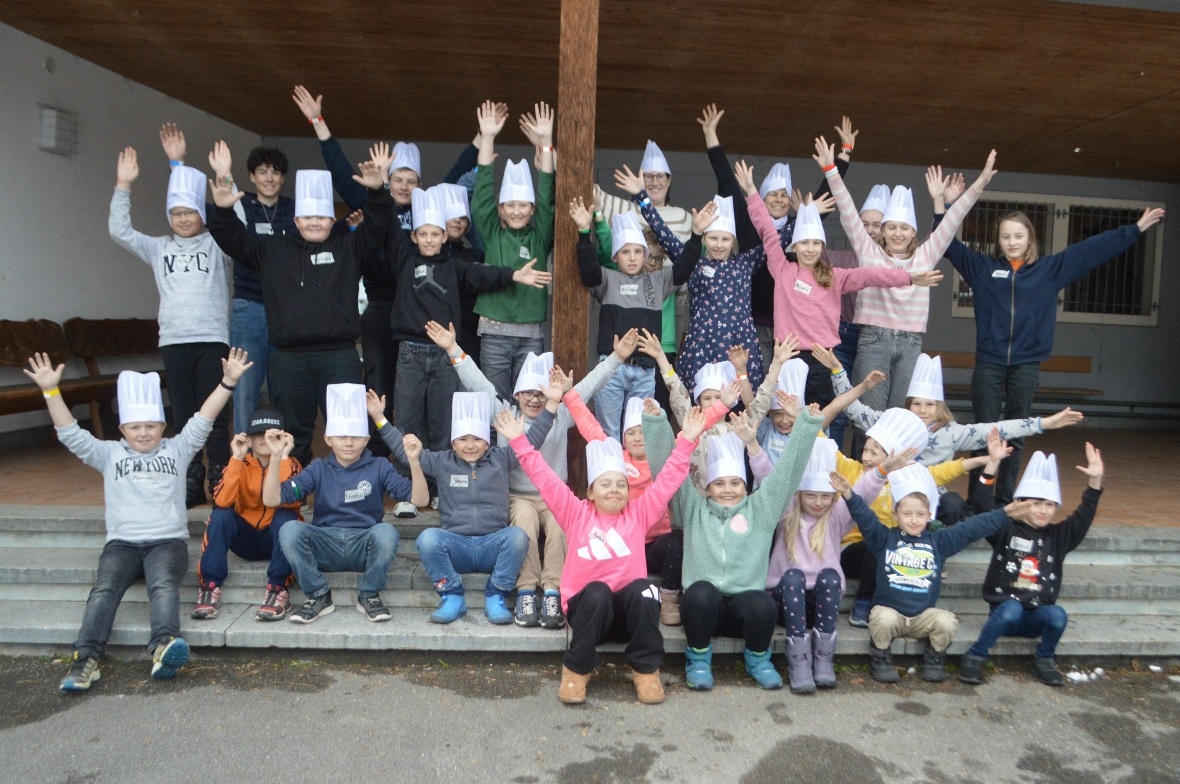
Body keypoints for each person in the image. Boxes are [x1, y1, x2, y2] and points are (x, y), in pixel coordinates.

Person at [934, 171, 1162, 505]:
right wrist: (941, 205)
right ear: (999, 240)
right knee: (981, 434)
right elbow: (946, 243)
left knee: (1018, 435)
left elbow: (1091, 251)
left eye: (1018, 236)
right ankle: (978, 502)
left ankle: (1005, 502)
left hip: (1026, 366)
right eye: (1006, 236)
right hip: (989, 365)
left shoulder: (1048, 271)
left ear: (1030, 239)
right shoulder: (983, 270)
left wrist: (1135, 229)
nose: (1012, 242)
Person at [27, 349, 250, 692]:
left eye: (150, 426)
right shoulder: (108, 453)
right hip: (122, 544)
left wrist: (228, 382)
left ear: (162, 426)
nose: (143, 433)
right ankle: (85, 659)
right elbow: (70, 432)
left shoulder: (177, 448)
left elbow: (204, 418)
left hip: (167, 542)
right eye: (135, 427)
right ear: (122, 429)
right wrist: (50, 391)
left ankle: (163, 646)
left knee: (163, 584)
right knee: (104, 589)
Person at [426, 321, 634, 628]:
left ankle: (552, 590)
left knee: (562, 525)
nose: (535, 400)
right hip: (516, 496)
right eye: (527, 393)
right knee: (523, 522)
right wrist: (453, 349)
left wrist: (616, 358)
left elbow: (588, 386)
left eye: (540, 394)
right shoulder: (505, 415)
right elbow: (478, 384)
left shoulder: (560, 414)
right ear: (517, 394)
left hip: (555, 497)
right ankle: (525, 590)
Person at [503, 403, 712, 705]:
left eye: (620, 485)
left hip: (627, 620)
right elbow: (545, 479)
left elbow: (667, 481)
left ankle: (646, 670)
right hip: (589, 616)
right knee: (598, 592)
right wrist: (519, 442)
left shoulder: (639, 513)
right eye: (605, 484)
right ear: (590, 491)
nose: (614, 490)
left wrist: (688, 440)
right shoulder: (575, 513)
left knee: (645, 590)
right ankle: (576, 669)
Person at [206, 141, 393, 469]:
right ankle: (294, 490)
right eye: (307, 217)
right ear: (295, 218)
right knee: (294, 436)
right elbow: (234, 240)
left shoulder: (349, 247)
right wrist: (222, 211)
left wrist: (378, 191)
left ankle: (351, 491)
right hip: (289, 359)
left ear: (332, 218)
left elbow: (379, 227)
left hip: (340, 357)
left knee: (348, 431)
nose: (315, 222)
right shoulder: (272, 249)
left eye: (321, 216)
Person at [381, 185, 551, 506]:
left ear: (445, 236)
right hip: (410, 353)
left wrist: (514, 276)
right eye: (423, 234)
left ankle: (438, 490)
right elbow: (387, 225)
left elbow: (483, 275)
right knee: (407, 421)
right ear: (413, 236)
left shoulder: (454, 266)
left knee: (443, 424)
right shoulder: (404, 258)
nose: (429, 239)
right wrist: (380, 188)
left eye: (435, 234)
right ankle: (407, 491)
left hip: (446, 355)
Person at [644, 397, 825, 692]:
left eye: (735, 483)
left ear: (746, 486)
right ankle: (698, 659)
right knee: (699, 593)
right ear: (708, 488)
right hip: (703, 611)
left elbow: (787, 475)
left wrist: (805, 425)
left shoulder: (762, 510)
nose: (727, 490)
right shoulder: (693, 509)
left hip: (742, 608)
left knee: (763, 604)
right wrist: (656, 425)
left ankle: (758, 659)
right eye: (719, 484)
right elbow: (668, 475)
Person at [816, 138, 997, 425]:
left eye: (904, 228)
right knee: (868, 418)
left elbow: (954, 217)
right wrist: (831, 169)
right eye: (891, 227)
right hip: (873, 339)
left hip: (910, 342)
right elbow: (848, 209)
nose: (897, 233)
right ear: (883, 230)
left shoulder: (926, 254)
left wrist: (981, 182)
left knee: (902, 419)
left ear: (913, 232)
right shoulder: (869, 252)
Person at [738, 158, 940, 408]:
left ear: (822, 247)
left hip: (823, 358)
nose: (809, 249)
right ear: (794, 246)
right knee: (784, 414)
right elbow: (767, 231)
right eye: (804, 243)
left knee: (820, 416)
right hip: (788, 356)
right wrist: (751, 191)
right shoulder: (782, 269)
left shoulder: (834, 276)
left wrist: (909, 277)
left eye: (815, 243)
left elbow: (871, 276)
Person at [819, 348, 1084, 520]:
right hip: (888, 499)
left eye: (930, 404)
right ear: (908, 405)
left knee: (954, 504)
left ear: (940, 407)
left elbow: (1000, 428)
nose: (923, 410)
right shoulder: (891, 423)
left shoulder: (951, 433)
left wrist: (1044, 423)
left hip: (929, 503)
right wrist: (837, 370)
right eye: (917, 404)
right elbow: (852, 408)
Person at [372, 383, 561, 625]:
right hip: (456, 546)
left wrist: (552, 404)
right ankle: (452, 595)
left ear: (488, 442)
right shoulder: (442, 462)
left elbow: (533, 440)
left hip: (493, 546)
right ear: (453, 443)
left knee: (518, 536)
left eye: (477, 439)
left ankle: (496, 594)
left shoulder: (501, 459)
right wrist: (380, 419)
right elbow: (406, 451)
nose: (470, 445)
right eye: (462, 439)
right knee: (428, 539)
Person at [108, 146, 233, 507]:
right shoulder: (158, 247)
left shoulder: (218, 244)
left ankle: (221, 479)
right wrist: (123, 185)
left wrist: (224, 176)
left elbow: (236, 222)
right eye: (176, 213)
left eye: (189, 211)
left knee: (215, 416)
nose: (182, 218)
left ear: (202, 214)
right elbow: (119, 231)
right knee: (184, 416)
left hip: (212, 339)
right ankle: (190, 480)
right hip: (174, 342)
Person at [159, 123, 293, 436]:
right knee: (244, 388)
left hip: (286, 309)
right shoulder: (238, 204)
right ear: (252, 176)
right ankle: (242, 453)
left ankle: (283, 452)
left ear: (283, 178)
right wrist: (177, 165)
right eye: (262, 171)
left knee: (284, 388)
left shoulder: (296, 210)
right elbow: (191, 207)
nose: (269, 178)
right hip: (248, 308)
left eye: (275, 172)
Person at [854, 463, 1033, 683]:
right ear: (895, 513)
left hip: (923, 616)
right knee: (882, 617)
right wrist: (847, 494)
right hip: (892, 614)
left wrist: (1004, 513)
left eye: (920, 514)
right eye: (907, 513)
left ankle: (935, 657)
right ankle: (880, 656)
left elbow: (972, 528)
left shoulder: (939, 541)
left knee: (946, 621)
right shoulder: (884, 538)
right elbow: (864, 517)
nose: (913, 519)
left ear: (929, 515)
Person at [264, 384, 428, 623]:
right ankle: (318, 594)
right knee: (289, 528)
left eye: (356, 436)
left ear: (367, 440)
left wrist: (414, 462)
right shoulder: (318, 468)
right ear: (328, 439)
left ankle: (369, 592)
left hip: (364, 545)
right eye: (341, 436)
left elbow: (420, 500)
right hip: (325, 544)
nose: (349, 443)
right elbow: (272, 499)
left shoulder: (379, 466)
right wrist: (275, 457)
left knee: (386, 532)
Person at [762, 439, 900, 693]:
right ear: (799, 495)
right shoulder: (787, 512)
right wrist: (752, 446)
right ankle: (799, 662)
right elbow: (769, 481)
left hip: (819, 605)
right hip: (786, 602)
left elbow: (863, 491)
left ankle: (824, 658)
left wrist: (883, 470)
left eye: (825, 496)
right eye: (811, 495)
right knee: (793, 577)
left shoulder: (836, 516)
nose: (818, 502)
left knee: (830, 576)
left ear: (833, 497)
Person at [959, 445, 1104, 686]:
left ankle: (1044, 658)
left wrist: (1095, 481)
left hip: (1037, 616)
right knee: (1011, 609)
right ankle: (976, 655)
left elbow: (1084, 516)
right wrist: (992, 464)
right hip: (1005, 614)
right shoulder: (1005, 529)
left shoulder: (1059, 537)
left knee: (1058, 615)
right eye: (1036, 503)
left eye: (1049, 505)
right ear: (1021, 503)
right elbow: (983, 504)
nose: (1043, 510)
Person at [619, 167, 767, 390]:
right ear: (705, 239)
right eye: (713, 238)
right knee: (697, 405)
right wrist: (642, 197)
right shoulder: (695, 262)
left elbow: (776, 239)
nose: (719, 245)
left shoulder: (746, 262)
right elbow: (664, 234)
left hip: (740, 347)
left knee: (745, 404)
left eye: (725, 239)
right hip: (701, 348)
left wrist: (811, 211)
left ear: (733, 241)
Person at [571, 197, 695, 438]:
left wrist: (697, 236)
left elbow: (684, 267)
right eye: (625, 252)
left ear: (645, 255)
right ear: (615, 256)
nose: (632, 257)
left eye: (638, 251)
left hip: (645, 370)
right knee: (608, 433)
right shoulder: (607, 278)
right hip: (612, 368)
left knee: (640, 434)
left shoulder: (658, 280)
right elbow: (588, 270)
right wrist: (584, 232)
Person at [471, 100, 556, 400]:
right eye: (510, 205)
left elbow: (547, 196)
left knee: (531, 401)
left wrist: (546, 142)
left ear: (532, 209)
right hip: (493, 334)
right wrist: (487, 137)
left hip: (531, 335)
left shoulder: (539, 237)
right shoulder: (492, 233)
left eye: (523, 205)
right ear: (501, 209)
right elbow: (481, 196)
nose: (517, 211)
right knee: (495, 403)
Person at [193, 407, 302, 622]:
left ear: (282, 438)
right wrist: (236, 457)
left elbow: (292, 500)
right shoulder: (239, 464)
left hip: (277, 539)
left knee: (286, 517)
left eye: (271, 434)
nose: (264, 439)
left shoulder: (291, 464)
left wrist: (281, 457)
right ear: (249, 440)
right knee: (221, 515)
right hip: (247, 539)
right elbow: (221, 500)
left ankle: (278, 588)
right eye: (258, 434)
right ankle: (210, 586)